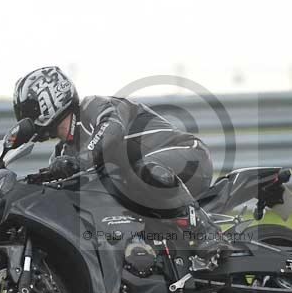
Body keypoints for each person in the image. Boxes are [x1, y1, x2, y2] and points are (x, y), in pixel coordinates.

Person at [12, 65, 223, 269]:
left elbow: (111, 132)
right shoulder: (62, 154)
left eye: (27, 111)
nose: (24, 120)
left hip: (188, 157)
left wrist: (80, 160)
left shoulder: (92, 108)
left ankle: (206, 231)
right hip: (149, 194)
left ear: (48, 100)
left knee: (142, 170)